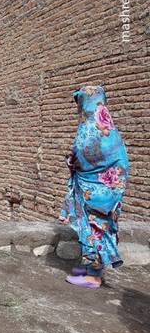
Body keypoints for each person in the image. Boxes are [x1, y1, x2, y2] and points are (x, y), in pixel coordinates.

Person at [59, 85, 129, 288]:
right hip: (108, 191)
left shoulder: (90, 129)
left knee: (94, 228)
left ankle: (93, 276)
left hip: (93, 190)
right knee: (99, 227)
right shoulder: (110, 130)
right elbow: (117, 159)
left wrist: (70, 161)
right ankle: (88, 266)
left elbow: (81, 156)